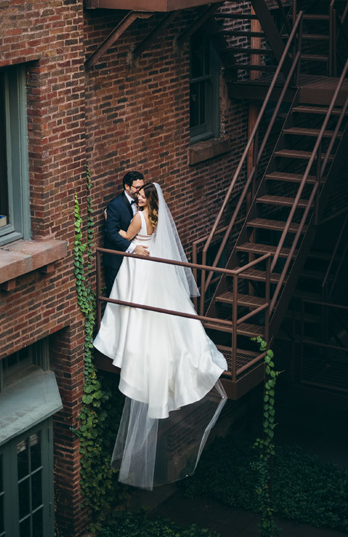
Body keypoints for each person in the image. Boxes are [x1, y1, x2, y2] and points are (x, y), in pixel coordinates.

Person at [94, 182, 227, 490]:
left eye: (141, 195)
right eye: (137, 194)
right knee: (159, 308)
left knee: (131, 305)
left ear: (146, 199)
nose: (138, 197)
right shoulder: (156, 216)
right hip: (153, 264)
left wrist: (108, 220)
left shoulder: (140, 216)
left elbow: (125, 237)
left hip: (139, 264)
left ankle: (125, 342)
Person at [103, 170, 149, 293]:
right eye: (137, 187)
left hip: (138, 260)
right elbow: (111, 233)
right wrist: (133, 248)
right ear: (127, 186)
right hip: (117, 260)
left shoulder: (145, 202)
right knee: (118, 296)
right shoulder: (115, 205)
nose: (140, 191)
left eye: (142, 187)